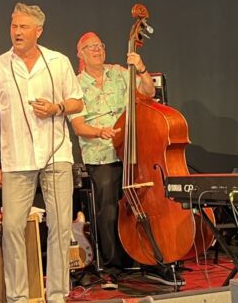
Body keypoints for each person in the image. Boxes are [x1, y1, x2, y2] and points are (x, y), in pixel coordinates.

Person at [0, 3, 84, 303]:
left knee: (60, 226)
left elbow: (77, 101)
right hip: (16, 159)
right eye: (14, 26)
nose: (17, 32)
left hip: (56, 154)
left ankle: (57, 295)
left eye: (24, 27)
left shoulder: (57, 62)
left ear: (39, 31)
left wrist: (56, 107)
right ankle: (18, 298)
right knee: (12, 227)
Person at [69, 32, 184, 289]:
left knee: (147, 205)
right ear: (80, 54)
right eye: (90, 47)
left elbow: (148, 92)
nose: (97, 50)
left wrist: (140, 68)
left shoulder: (120, 73)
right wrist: (99, 131)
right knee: (109, 209)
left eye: (100, 45)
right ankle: (114, 267)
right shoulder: (75, 84)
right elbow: (78, 126)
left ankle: (154, 260)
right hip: (102, 154)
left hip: (134, 153)